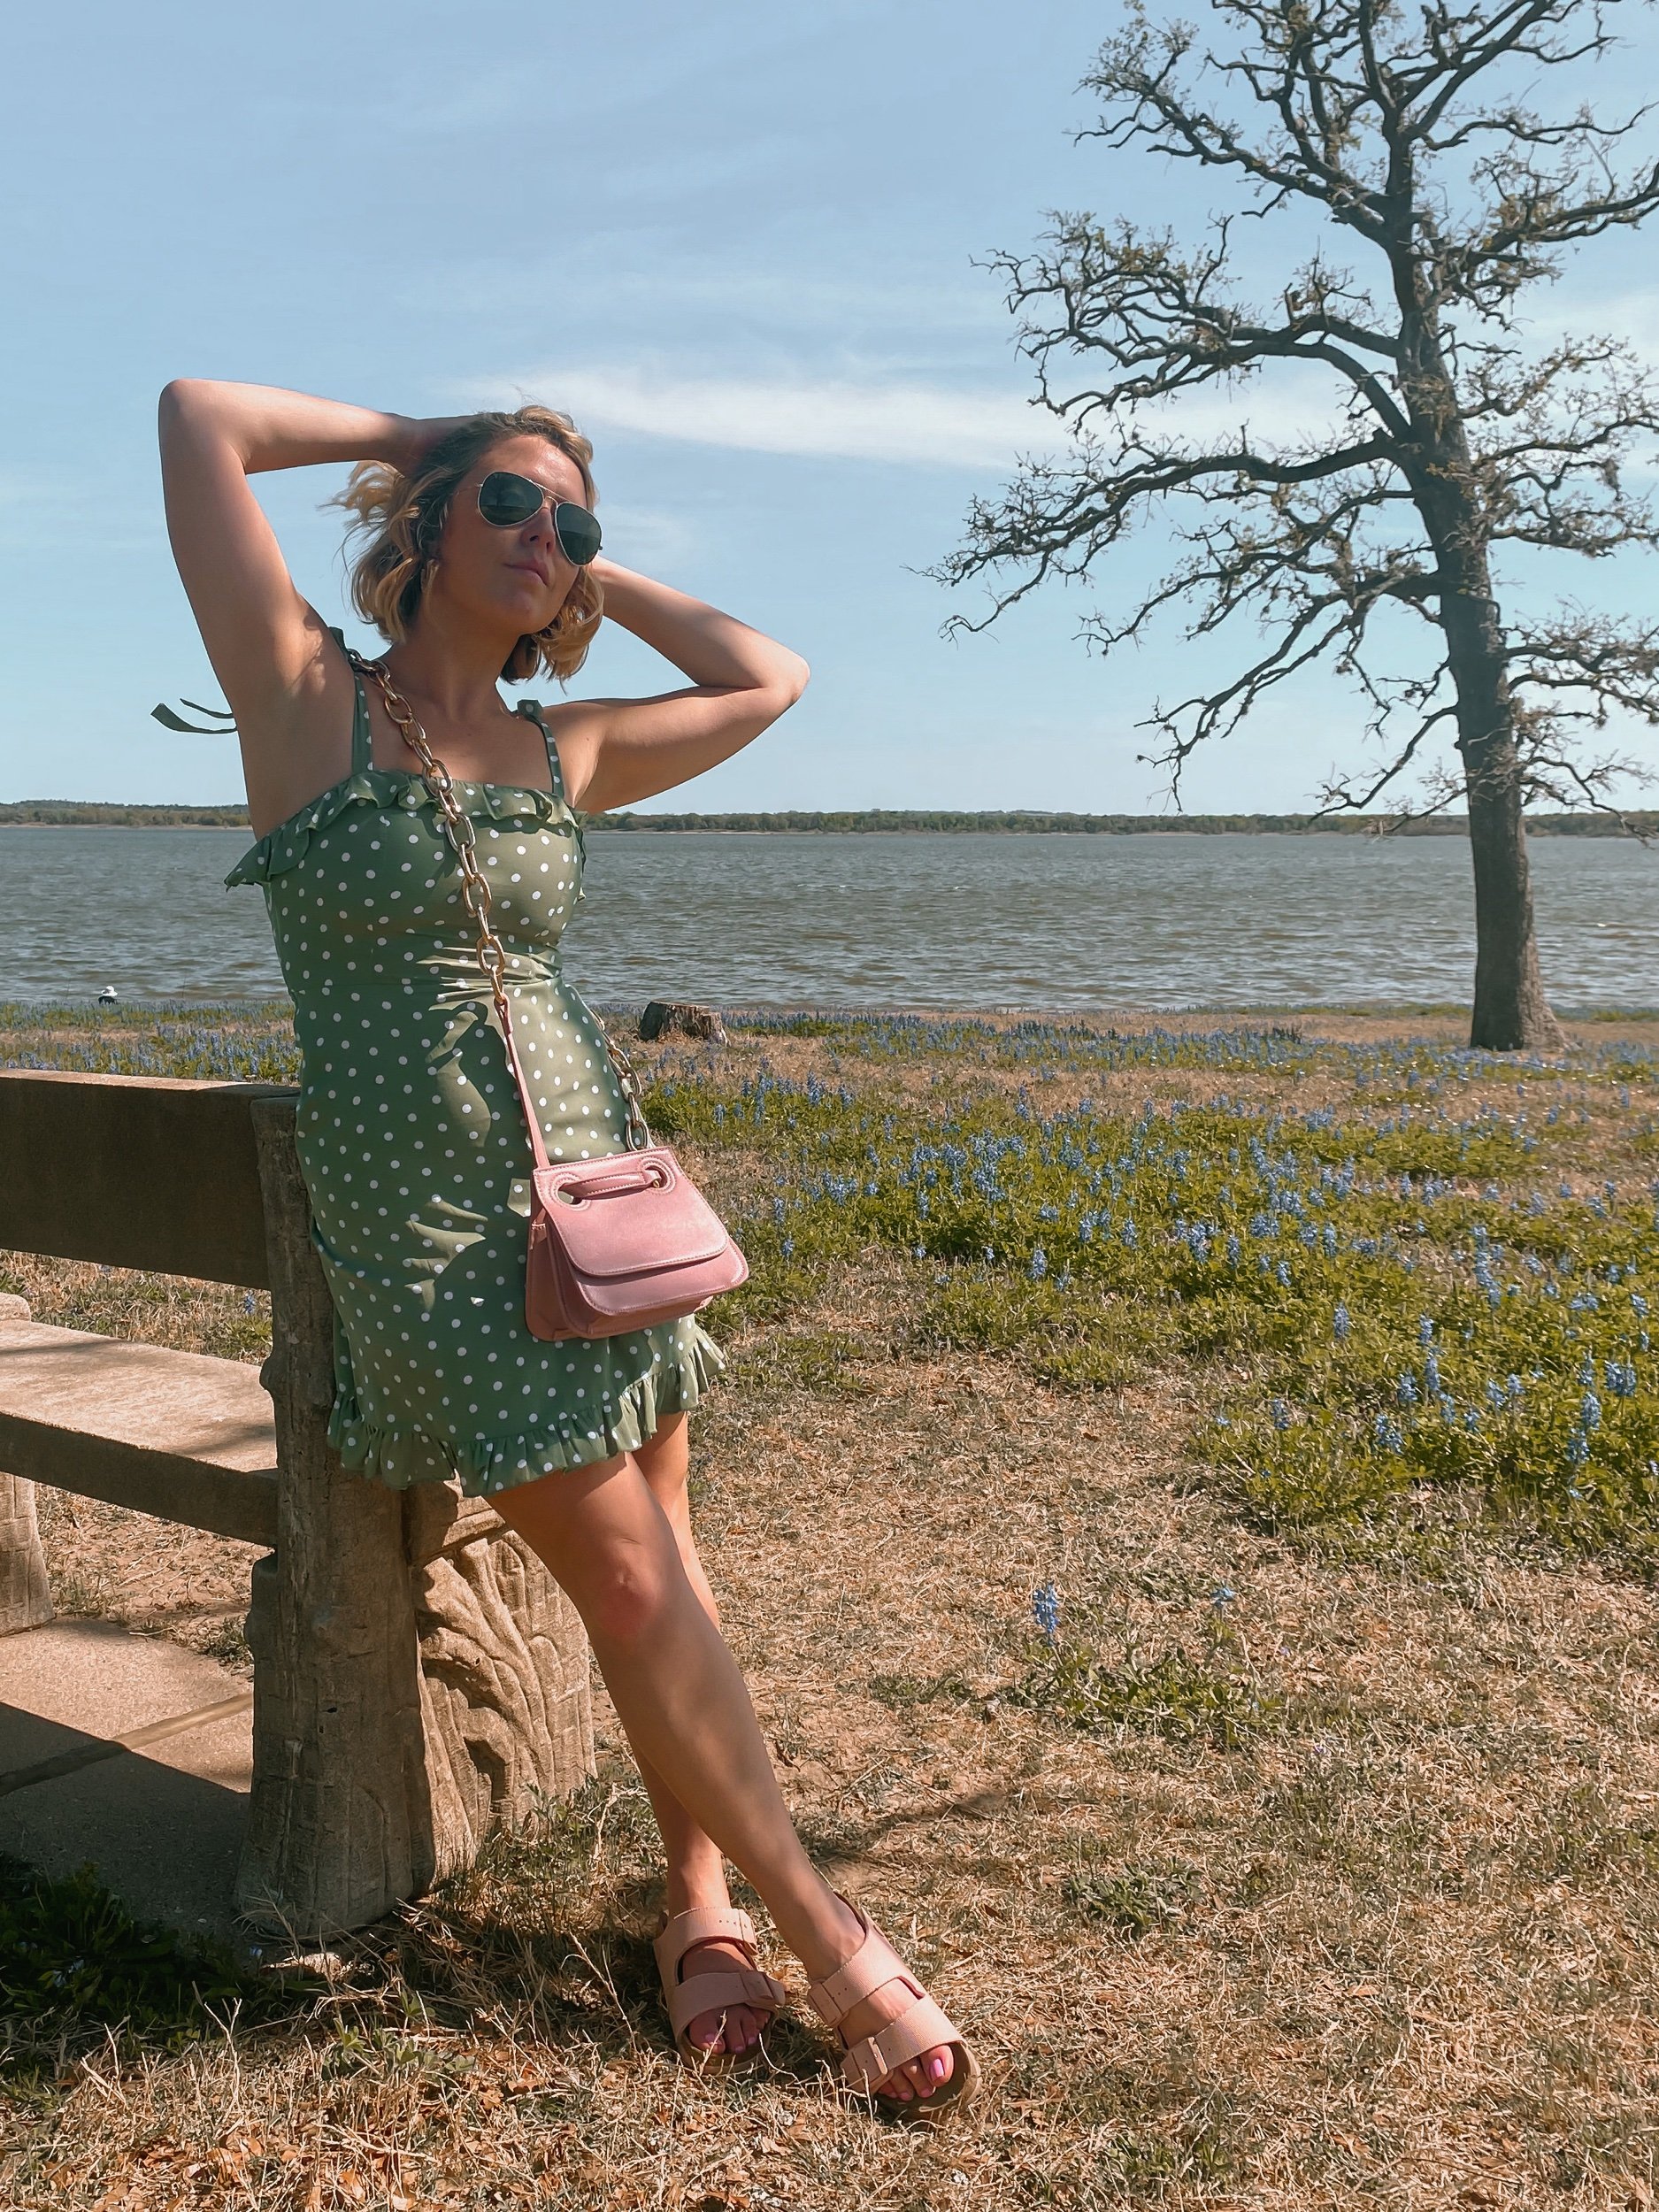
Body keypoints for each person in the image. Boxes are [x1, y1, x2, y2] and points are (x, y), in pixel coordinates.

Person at [157, 381, 979, 2122]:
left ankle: (700, 1906)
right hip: (428, 1221)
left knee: (656, 1552)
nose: (547, 539)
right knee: (626, 1572)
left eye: (572, 524)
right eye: (516, 509)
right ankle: (836, 1939)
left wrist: (604, 566)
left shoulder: (565, 748)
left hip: (593, 1188)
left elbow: (771, 677)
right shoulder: (305, 698)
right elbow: (196, 421)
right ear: (426, 523)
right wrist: (444, 424)